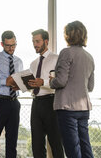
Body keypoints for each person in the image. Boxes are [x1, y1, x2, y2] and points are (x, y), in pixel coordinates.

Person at [50, 20, 95, 158]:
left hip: (67, 108)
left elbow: (61, 81)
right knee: (85, 147)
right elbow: (90, 86)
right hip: (83, 108)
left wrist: (52, 81)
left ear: (68, 35)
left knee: (72, 149)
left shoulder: (66, 52)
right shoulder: (89, 57)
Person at [27, 29, 64, 158]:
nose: (35, 44)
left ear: (46, 41)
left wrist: (43, 82)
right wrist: (21, 85)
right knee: (36, 145)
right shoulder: (33, 64)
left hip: (51, 103)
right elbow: (31, 85)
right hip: (36, 104)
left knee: (56, 143)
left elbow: (60, 82)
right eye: (33, 42)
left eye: (37, 41)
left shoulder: (56, 59)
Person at [0, 30, 23, 158]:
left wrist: (21, 85)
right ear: (2, 44)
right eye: (8, 45)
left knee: (12, 142)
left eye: (14, 45)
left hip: (14, 102)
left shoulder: (19, 61)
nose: (11, 48)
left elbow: (19, 80)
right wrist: (6, 81)